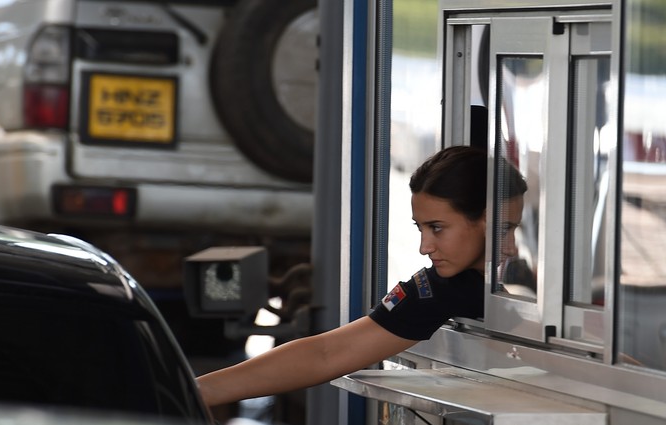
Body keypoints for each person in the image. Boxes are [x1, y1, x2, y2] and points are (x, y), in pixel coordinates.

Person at [196, 145, 527, 408]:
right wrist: (199, 391)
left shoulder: (500, 283)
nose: (425, 247)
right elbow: (326, 353)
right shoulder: (442, 290)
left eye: (437, 228)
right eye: (423, 228)